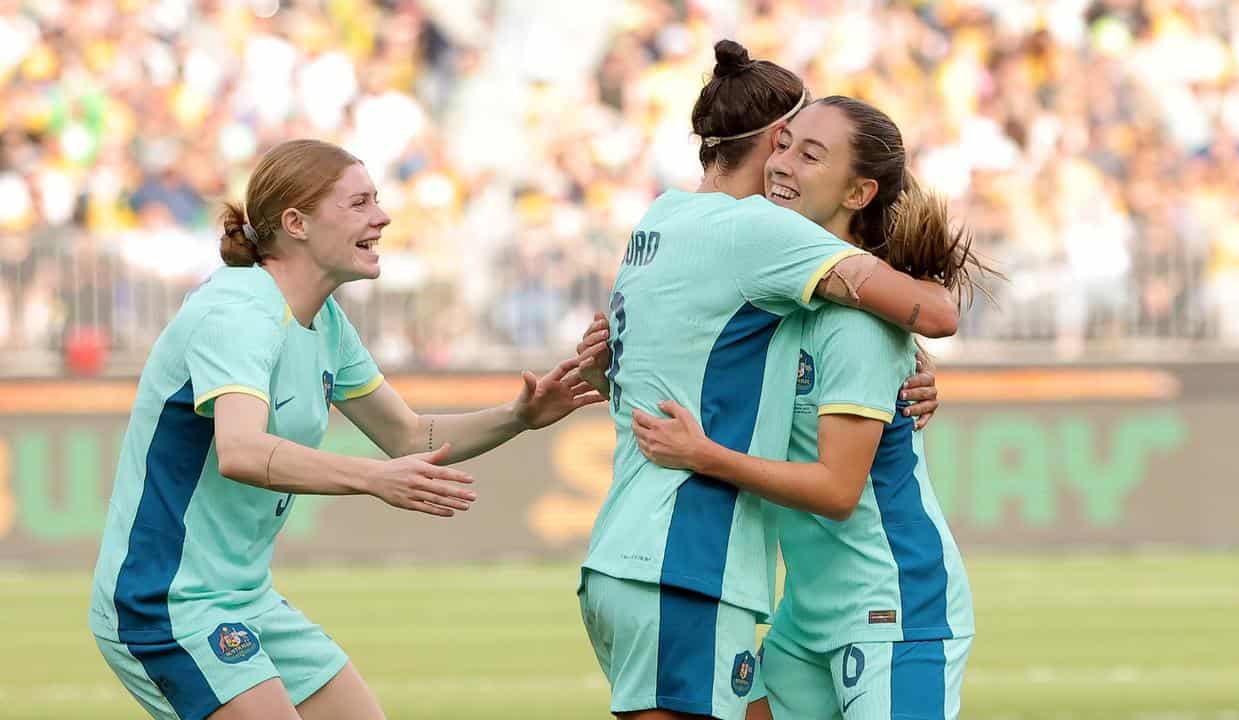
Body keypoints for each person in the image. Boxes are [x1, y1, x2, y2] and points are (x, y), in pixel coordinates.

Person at [87, 139, 603, 720]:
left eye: (377, 200)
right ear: (296, 223)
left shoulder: (325, 319)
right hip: (166, 600)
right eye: (359, 203)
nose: (381, 217)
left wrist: (520, 417)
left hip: (243, 598)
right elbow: (240, 450)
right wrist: (374, 479)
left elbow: (409, 437)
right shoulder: (238, 309)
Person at [574, 41, 953, 720]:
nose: (786, 166)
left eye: (811, 155)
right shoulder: (759, 244)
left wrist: (908, 364)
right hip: (683, 563)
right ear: (772, 139)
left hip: (636, 560)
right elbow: (934, 311)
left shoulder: (662, 219)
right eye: (791, 146)